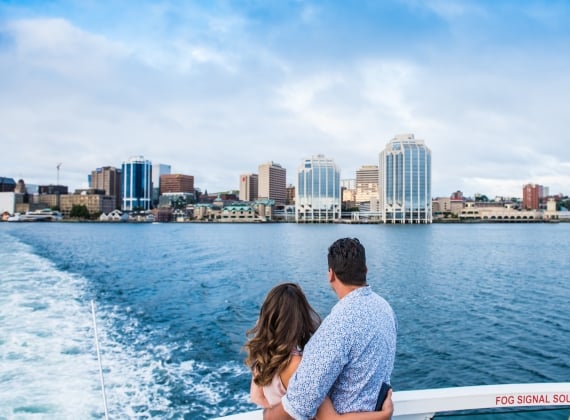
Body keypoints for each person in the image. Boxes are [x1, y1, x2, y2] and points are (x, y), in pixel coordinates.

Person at [262, 238, 398, 420]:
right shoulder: (385, 309)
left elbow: (299, 405)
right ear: (365, 270)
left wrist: (268, 415)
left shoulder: (337, 326)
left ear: (331, 274)